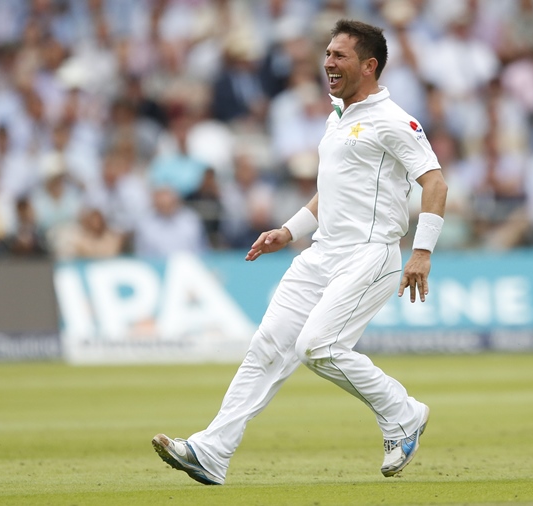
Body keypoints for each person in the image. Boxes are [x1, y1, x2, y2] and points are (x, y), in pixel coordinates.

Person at [152, 19, 448, 485]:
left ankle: (403, 412)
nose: (328, 63)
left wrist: (422, 252)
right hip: (321, 253)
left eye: (339, 56)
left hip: (369, 255)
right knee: (266, 347)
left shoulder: (394, 121)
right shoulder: (337, 117)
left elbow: (435, 182)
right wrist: (288, 231)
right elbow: (330, 193)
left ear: (369, 66)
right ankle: (212, 451)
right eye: (327, 54)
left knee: (318, 347)